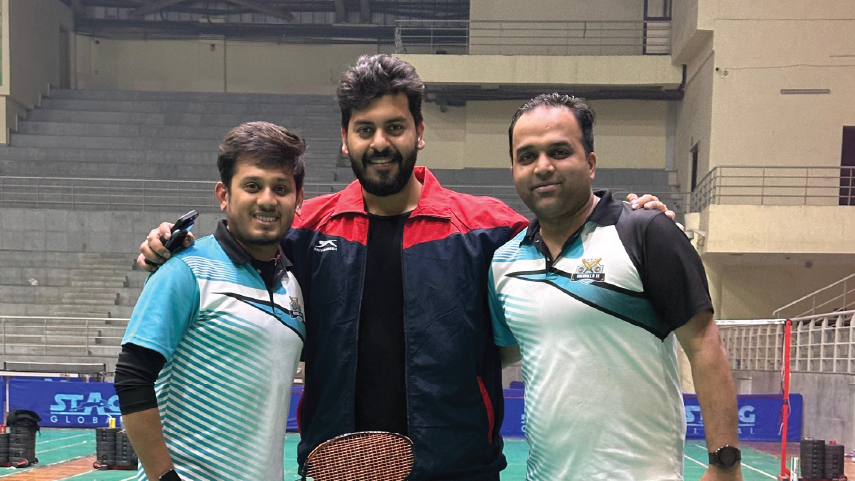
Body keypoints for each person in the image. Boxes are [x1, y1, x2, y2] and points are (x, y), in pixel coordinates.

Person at [138, 55, 673, 480]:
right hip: (333, 471)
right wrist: (167, 246)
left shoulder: (490, 229)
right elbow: (234, 254)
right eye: (364, 129)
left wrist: (633, 220)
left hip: (460, 471)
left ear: (419, 132)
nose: (379, 143)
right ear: (346, 138)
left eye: (394, 126)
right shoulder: (306, 232)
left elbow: (569, 236)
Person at [489, 94, 742, 481]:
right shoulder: (505, 262)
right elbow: (500, 352)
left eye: (559, 151)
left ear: (590, 163)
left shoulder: (645, 232)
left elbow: (704, 345)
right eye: (527, 156)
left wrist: (724, 464)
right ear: (513, 169)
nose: (542, 167)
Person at [116, 122, 307, 481]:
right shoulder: (185, 269)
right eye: (252, 186)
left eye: (280, 188)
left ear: (298, 199)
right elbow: (131, 379)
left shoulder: (293, 286)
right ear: (224, 195)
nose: (267, 199)